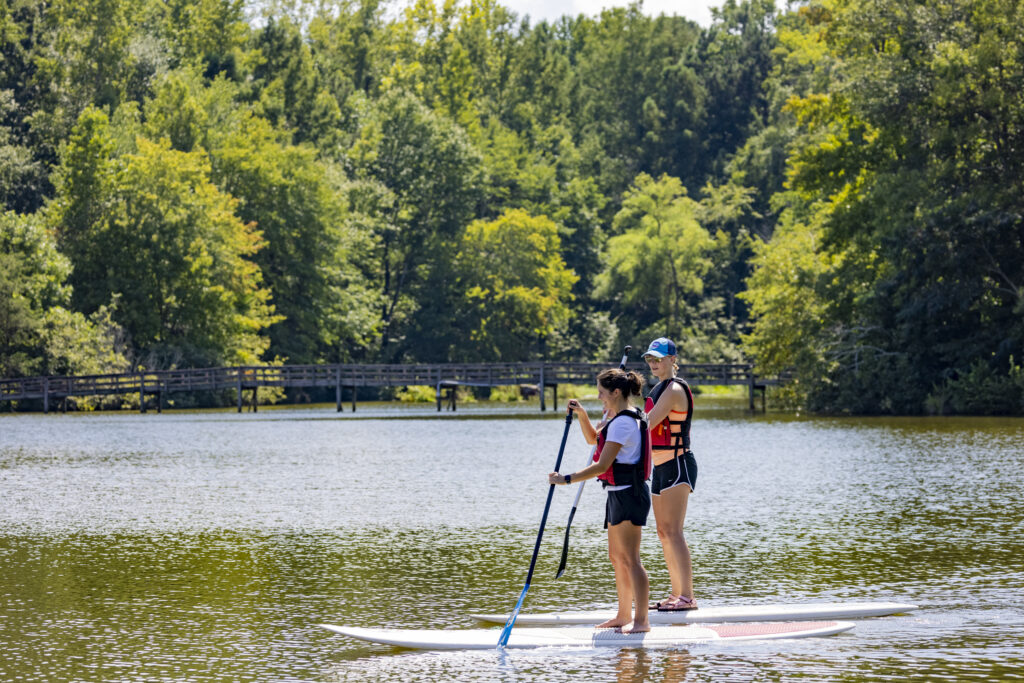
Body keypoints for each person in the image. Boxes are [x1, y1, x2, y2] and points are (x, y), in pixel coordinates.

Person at [549, 368, 652, 633]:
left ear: (616, 392)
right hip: (618, 495)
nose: (599, 398)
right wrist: (583, 414)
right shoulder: (616, 419)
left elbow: (601, 465)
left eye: (602, 393)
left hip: (630, 494)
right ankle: (622, 615)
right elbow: (593, 440)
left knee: (631, 559)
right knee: (617, 557)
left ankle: (641, 621)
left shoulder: (624, 423)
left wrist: (567, 479)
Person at [642, 337, 699, 611]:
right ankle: (676, 594)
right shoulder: (659, 388)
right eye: (650, 359)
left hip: (678, 464)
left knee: (674, 532)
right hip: (660, 467)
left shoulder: (675, 389)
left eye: (659, 359)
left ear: (672, 360)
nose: (654, 364)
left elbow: (647, 423)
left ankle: (687, 597)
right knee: (663, 532)